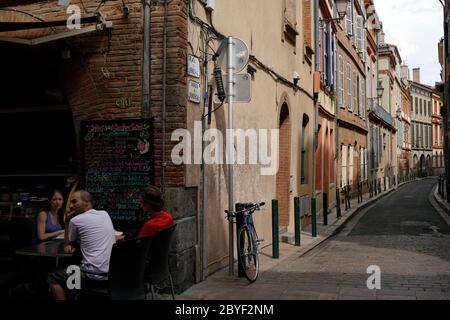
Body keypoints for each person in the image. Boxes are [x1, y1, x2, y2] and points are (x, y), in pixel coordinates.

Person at [48, 190, 116, 300]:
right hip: (111, 272)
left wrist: (67, 221)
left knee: (53, 276)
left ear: (86, 202)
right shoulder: (105, 214)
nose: (71, 205)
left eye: (74, 202)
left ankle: (75, 292)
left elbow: (67, 245)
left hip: (92, 274)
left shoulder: (76, 220)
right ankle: (76, 292)